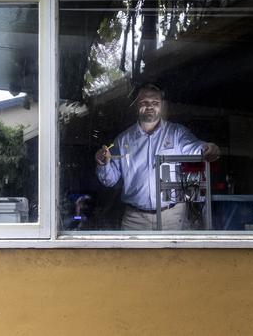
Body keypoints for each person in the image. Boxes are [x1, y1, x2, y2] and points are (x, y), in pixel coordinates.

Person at [94, 83, 220, 230]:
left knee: (174, 254)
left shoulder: (177, 133)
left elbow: (195, 147)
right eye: (144, 102)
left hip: (172, 216)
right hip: (135, 219)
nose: (150, 106)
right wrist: (103, 163)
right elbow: (110, 180)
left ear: (161, 105)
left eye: (155, 103)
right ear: (136, 105)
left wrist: (208, 148)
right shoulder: (123, 140)